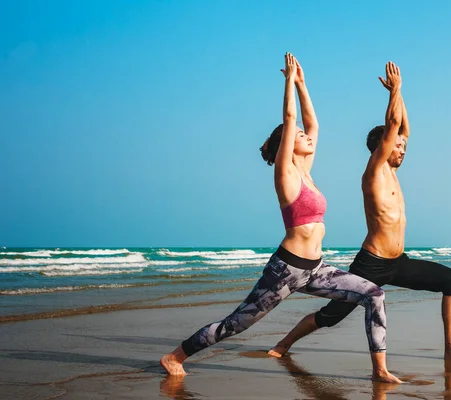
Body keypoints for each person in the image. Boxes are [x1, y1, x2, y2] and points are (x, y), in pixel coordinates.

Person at [160, 53, 401, 383]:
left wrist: (304, 85)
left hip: (315, 269)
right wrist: (288, 81)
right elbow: (291, 120)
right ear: (285, 145)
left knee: (374, 294)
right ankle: (175, 356)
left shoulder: (308, 172)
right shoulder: (286, 175)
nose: (306, 135)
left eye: (304, 135)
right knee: (236, 324)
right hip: (286, 269)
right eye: (298, 135)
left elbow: (313, 124)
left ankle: (380, 371)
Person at [268, 61, 451, 362]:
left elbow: (403, 129)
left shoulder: (394, 171)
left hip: (399, 261)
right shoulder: (374, 170)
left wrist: (400, 93)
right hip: (372, 263)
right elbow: (393, 129)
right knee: (332, 316)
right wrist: (393, 92)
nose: (403, 149)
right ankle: (284, 344)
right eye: (397, 147)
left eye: (402, 146)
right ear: (381, 148)